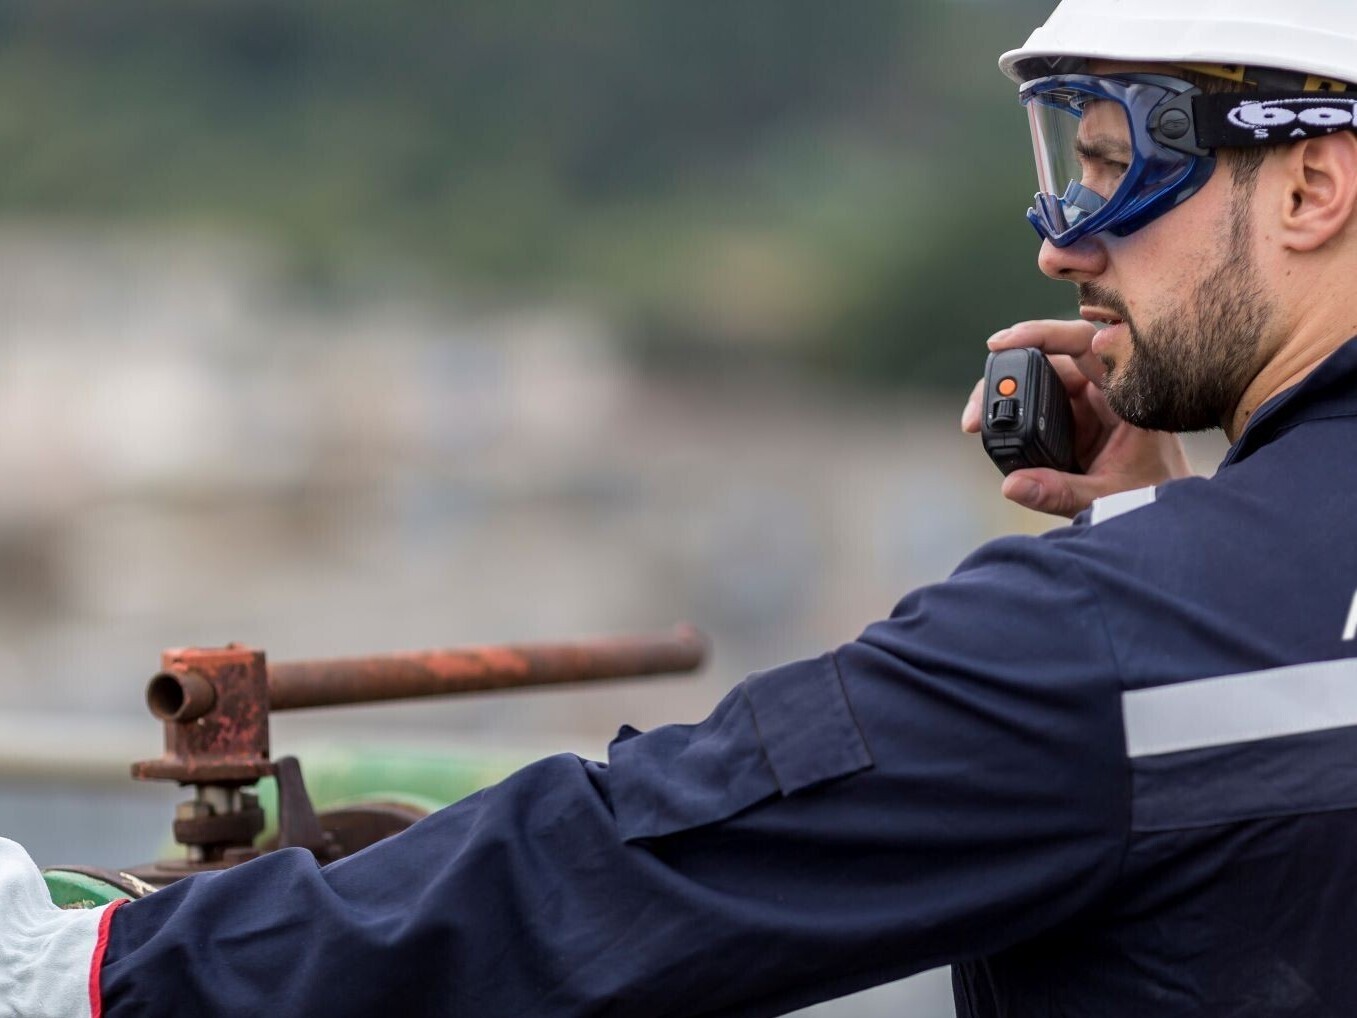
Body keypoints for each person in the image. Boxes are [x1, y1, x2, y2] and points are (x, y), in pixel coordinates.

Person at [7, 0, 1357, 1014]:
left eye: (1119, 166)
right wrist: (1149, 534)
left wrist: (90, 963)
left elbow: (623, 864)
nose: (1064, 238)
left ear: (1309, 188)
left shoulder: (1109, 645)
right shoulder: (1178, 613)